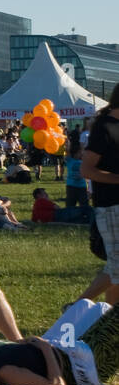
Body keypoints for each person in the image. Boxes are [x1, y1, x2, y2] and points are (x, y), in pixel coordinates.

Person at [80, 84, 119, 304]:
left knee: (115, 269)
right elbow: (87, 170)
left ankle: (107, 315)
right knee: (117, 268)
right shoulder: (104, 127)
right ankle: (76, 307)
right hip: (111, 206)